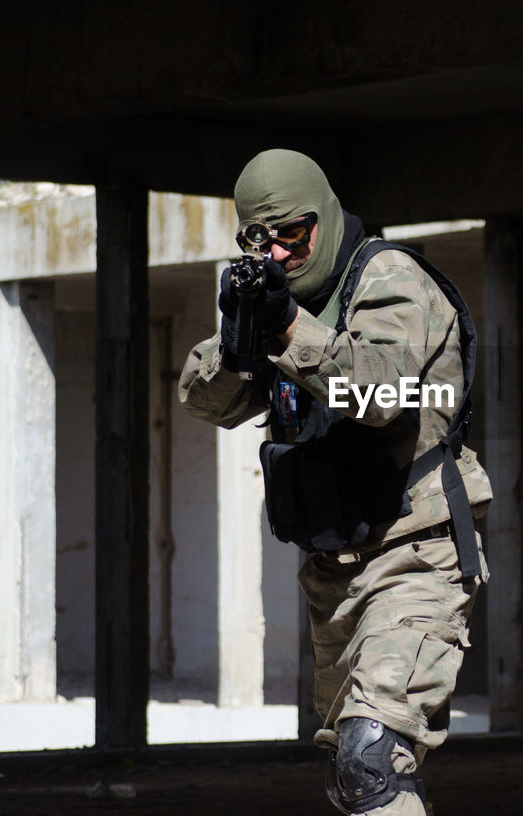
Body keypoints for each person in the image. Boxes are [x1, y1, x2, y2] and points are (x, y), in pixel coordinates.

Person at [178, 149, 492, 815]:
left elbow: (379, 393)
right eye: (260, 240)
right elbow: (203, 399)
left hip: (415, 553)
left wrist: (289, 330)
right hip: (334, 572)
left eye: (294, 234)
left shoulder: (389, 279)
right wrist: (242, 339)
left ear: (320, 217)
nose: (280, 255)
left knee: (370, 756)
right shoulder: (286, 301)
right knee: (363, 777)